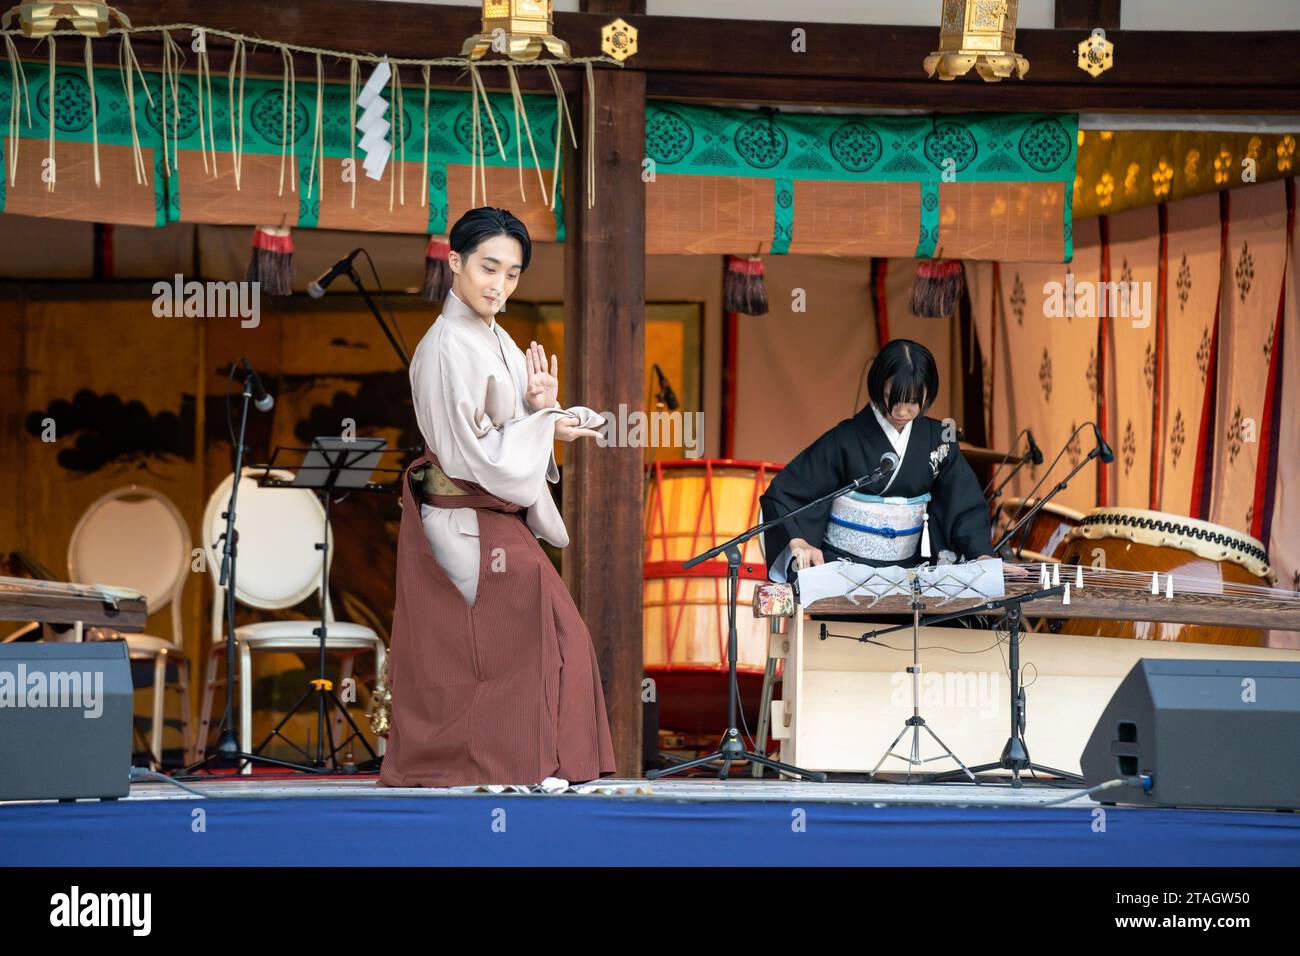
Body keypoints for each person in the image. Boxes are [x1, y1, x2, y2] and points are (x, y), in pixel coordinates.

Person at [379, 207, 616, 789]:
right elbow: (470, 455)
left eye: (512, 274)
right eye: (489, 268)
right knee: (515, 644)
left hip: (489, 511)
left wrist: (542, 407)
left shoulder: (494, 336)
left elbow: (502, 430)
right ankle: (505, 765)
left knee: (547, 638)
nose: (500, 286)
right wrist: (545, 425)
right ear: (455, 262)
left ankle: (525, 765)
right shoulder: (443, 346)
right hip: (464, 513)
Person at [760, 338, 998, 582]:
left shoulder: (939, 440)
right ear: (877, 386)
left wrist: (981, 555)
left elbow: (963, 504)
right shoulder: (845, 439)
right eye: (893, 399)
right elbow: (785, 494)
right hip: (842, 572)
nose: (902, 412)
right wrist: (799, 541)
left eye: (914, 402)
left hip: (911, 575)